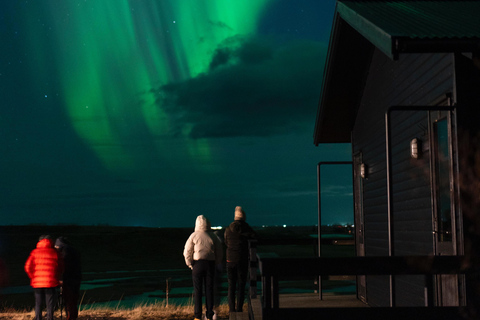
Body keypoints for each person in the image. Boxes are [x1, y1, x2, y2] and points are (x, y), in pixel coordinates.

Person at [183, 215, 223, 320]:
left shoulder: (193, 236)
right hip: (210, 264)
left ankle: (197, 316)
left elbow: (187, 252)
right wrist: (216, 262)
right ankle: (209, 315)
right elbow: (220, 252)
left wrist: (190, 264)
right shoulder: (213, 236)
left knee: (198, 291)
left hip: (197, 264)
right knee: (209, 290)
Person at [224, 206, 256, 313]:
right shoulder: (246, 228)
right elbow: (255, 236)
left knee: (231, 285)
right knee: (241, 285)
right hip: (242, 259)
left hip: (230, 260)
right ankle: (239, 309)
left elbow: (226, 242)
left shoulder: (228, 229)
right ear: (244, 217)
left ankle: (232, 309)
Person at [25, 235, 63, 320]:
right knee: (50, 304)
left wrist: (33, 277)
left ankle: (38, 318)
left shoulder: (34, 252)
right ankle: (49, 318)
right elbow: (61, 267)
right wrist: (56, 277)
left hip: (38, 283)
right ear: (51, 242)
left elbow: (28, 267)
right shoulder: (55, 252)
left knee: (38, 303)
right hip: (50, 282)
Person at [55, 237, 82, 320]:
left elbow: (64, 266)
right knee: (73, 300)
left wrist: (61, 278)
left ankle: (70, 317)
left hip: (68, 279)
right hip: (77, 278)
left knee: (68, 300)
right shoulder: (74, 250)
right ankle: (73, 316)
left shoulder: (65, 251)